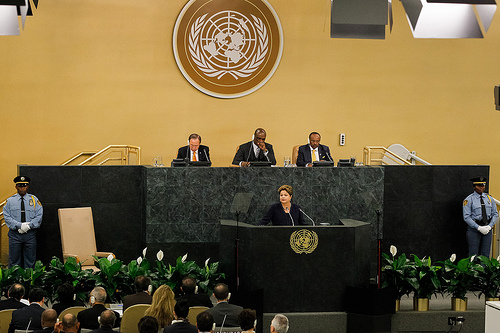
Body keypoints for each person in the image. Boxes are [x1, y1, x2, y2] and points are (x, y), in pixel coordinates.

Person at [3, 176, 43, 268]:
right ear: (16, 187)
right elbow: (7, 217)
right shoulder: (10, 201)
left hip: (30, 234)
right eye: (20, 186)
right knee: (14, 261)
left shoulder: (34, 200)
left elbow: (39, 215)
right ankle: (15, 281)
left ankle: (28, 281)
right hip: (15, 235)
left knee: (30, 260)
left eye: (24, 186)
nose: (22, 188)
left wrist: (29, 226)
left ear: (27, 187)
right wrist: (19, 225)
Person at [463, 176, 498, 257]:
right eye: (479, 186)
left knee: (485, 254)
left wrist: (490, 226)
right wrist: (478, 227)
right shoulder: (469, 199)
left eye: (483, 186)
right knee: (473, 254)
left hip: (487, 228)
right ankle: (473, 269)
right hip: (474, 230)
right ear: (474, 186)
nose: (481, 188)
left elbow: (495, 213)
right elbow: (466, 217)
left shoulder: (489, 198)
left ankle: (484, 269)